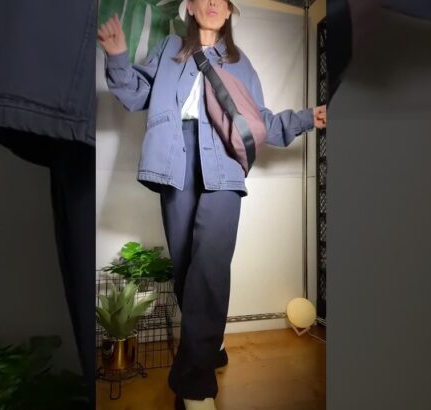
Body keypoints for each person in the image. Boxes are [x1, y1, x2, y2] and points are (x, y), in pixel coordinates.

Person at [98, 0, 326, 408]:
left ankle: (194, 385)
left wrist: (309, 117)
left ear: (230, 9)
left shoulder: (240, 63)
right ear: (190, 7)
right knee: (186, 267)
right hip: (173, 161)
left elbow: (262, 123)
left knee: (211, 264)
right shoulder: (169, 49)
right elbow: (136, 96)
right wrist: (117, 56)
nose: (212, 3)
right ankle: (210, 342)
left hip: (223, 164)